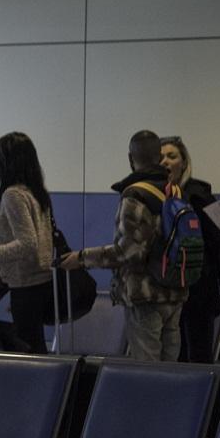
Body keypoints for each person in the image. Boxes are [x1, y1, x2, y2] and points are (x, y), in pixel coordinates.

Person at [61, 130, 187, 361]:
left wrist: (81, 257)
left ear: (131, 158)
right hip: (174, 291)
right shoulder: (174, 191)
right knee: (172, 370)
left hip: (145, 295)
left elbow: (127, 252)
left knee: (147, 371)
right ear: (159, 156)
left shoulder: (135, 196)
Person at [0, 133, 54, 353]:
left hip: (24, 282)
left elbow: (27, 243)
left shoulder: (13, 195)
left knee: (27, 348)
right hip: (40, 279)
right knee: (35, 343)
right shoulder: (37, 193)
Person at [160, 136, 220, 362]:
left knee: (198, 355)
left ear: (184, 163)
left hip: (199, 291)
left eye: (171, 156)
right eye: (160, 157)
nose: (165, 161)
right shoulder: (155, 197)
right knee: (173, 356)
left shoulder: (201, 195)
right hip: (166, 292)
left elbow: (219, 238)